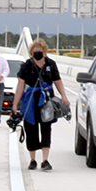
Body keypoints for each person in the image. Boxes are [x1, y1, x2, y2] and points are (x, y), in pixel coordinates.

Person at [16, 39, 70, 170]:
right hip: (31, 99)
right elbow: (20, 86)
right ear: (31, 52)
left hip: (46, 99)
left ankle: (45, 160)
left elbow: (57, 81)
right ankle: (33, 159)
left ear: (44, 51)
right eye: (35, 52)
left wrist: (63, 95)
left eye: (40, 51)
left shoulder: (51, 64)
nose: (38, 54)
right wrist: (15, 104)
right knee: (30, 127)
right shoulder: (26, 66)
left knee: (46, 127)